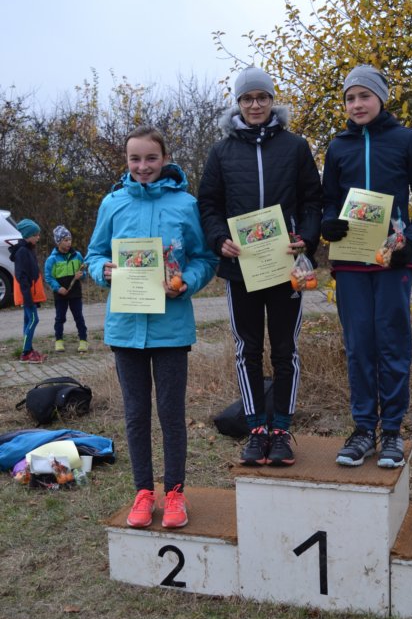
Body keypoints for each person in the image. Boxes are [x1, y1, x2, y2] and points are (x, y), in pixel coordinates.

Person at [86, 125, 217, 530]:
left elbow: (205, 258)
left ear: (165, 159)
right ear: (126, 161)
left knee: (171, 414)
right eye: (135, 159)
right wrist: (103, 270)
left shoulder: (186, 204)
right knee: (136, 414)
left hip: (171, 328)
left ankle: (174, 493)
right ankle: (143, 492)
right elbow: (94, 254)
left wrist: (186, 282)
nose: (143, 166)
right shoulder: (112, 203)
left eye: (151, 158)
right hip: (126, 328)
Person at [198, 66, 322, 466]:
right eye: (248, 98)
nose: (255, 105)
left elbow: (313, 200)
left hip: (286, 265)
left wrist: (307, 236)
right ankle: (255, 430)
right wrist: (219, 238)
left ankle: (281, 430)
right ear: (238, 103)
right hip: (242, 268)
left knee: (285, 350)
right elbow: (209, 204)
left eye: (262, 97)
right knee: (247, 349)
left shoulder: (295, 146)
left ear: (272, 101)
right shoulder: (221, 151)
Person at [322, 65, 412, 468]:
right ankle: (362, 431)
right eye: (350, 98)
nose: (357, 104)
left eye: (364, 96)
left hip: (393, 259)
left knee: (392, 345)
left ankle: (391, 432)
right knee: (359, 348)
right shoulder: (338, 147)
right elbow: (328, 201)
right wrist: (328, 223)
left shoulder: (405, 139)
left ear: (381, 98)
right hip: (351, 263)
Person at [44, 225, 88, 353]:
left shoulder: (77, 255)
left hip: (75, 292)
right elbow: (48, 277)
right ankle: (59, 340)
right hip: (60, 293)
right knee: (60, 318)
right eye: (65, 240)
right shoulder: (52, 259)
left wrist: (81, 275)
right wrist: (58, 288)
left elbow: (84, 272)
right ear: (58, 242)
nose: (69, 243)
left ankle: (83, 340)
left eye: (70, 240)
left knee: (78, 316)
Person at [9, 219, 47, 363]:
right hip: (27, 294)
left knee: (28, 320)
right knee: (33, 320)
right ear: (28, 235)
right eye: (35, 235)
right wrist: (28, 298)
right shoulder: (22, 252)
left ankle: (29, 350)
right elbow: (22, 277)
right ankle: (25, 353)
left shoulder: (28, 249)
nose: (38, 237)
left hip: (30, 294)